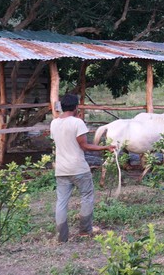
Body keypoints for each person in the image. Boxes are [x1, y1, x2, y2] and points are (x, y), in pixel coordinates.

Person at [50, 94, 116, 242]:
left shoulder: (54, 123)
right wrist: (105, 147)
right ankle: (85, 230)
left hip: (61, 169)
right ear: (76, 107)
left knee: (61, 201)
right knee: (86, 197)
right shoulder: (77, 123)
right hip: (78, 168)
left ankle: (62, 236)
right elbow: (85, 146)